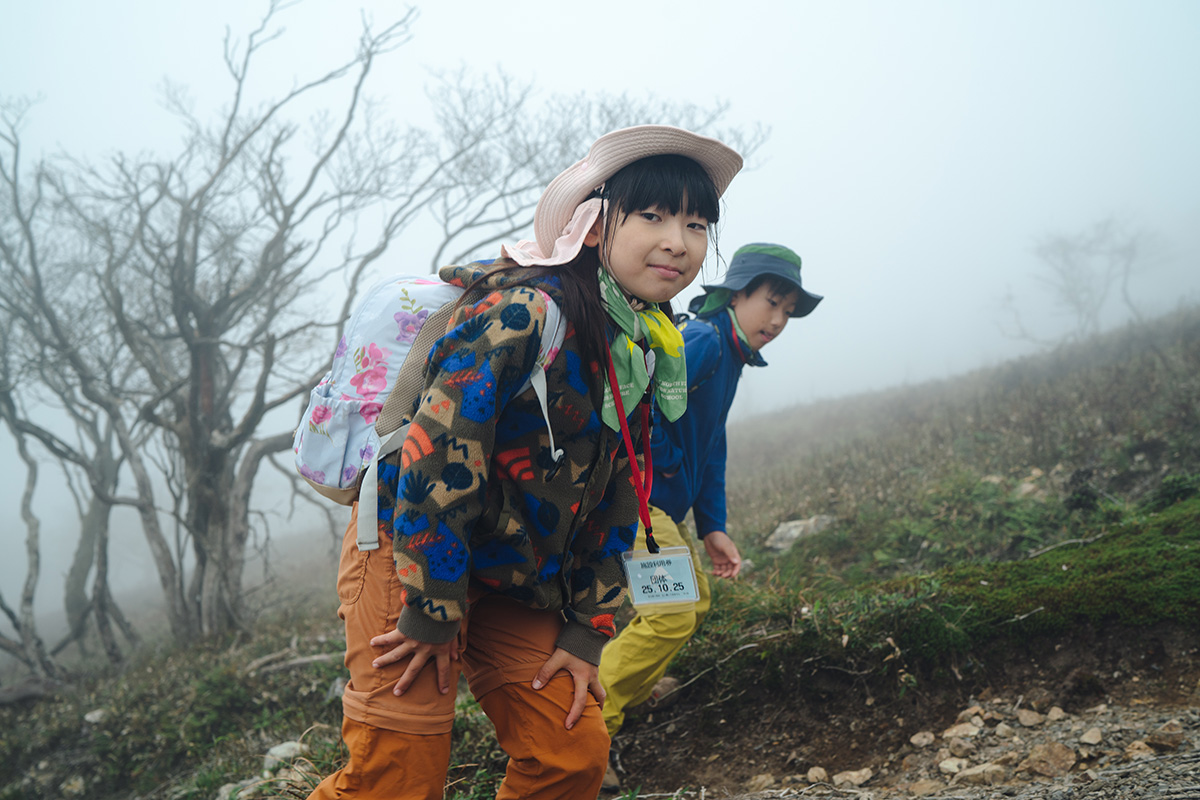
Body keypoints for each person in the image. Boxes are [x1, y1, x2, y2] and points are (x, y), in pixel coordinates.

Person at [307, 125, 743, 800]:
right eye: (652, 216)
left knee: (570, 754)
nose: (678, 242)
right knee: (397, 776)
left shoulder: (644, 344)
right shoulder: (522, 314)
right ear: (595, 225)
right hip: (414, 553)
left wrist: (590, 629)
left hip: (514, 576)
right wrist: (430, 610)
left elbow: (619, 493)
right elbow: (435, 457)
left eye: (695, 223)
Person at [597, 242, 823, 789]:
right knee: (672, 613)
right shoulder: (701, 340)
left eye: (788, 311)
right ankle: (586, 727)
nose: (778, 319)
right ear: (737, 293)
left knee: (688, 605)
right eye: (771, 302)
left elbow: (712, 442)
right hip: (638, 501)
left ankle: (622, 687)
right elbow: (634, 404)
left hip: (659, 505)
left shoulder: (729, 351)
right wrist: (666, 470)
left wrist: (713, 526)